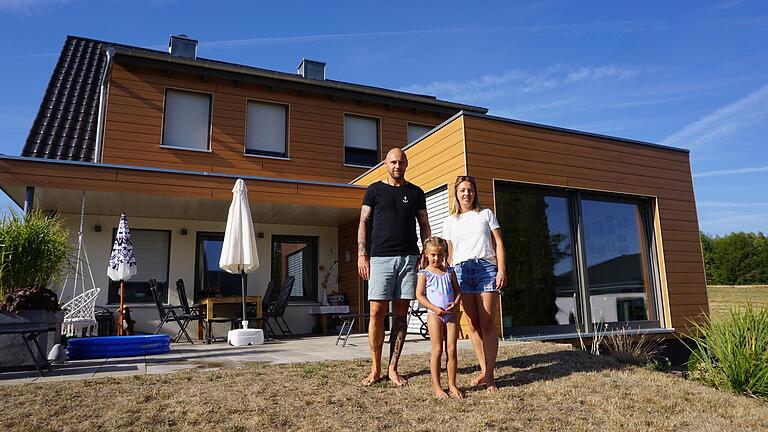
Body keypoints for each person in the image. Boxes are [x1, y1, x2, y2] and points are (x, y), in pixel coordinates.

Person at [358, 148, 430, 387]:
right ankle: (375, 368)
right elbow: (364, 223)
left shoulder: (416, 192)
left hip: (409, 259)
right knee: (377, 312)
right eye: (393, 162)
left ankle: (393, 368)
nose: (397, 165)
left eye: (401, 162)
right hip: (380, 259)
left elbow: (424, 224)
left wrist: (425, 253)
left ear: (406, 164)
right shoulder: (374, 190)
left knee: (401, 316)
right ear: (385, 164)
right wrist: (362, 254)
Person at [442, 175, 506, 392]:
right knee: (473, 325)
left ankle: (489, 376)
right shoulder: (450, 221)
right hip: (461, 272)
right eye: (462, 190)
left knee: (487, 323)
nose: (466, 193)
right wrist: (447, 277)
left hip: (486, 269)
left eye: (470, 190)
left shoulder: (486, 214)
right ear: (456, 194)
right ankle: (483, 369)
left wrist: (501, 269)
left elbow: (498, 243)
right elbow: (449, 253)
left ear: (475, 192)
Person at [415, 236, 463, 399]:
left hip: (451, 315)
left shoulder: (450, 272)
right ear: (427, 254)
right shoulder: (424, 274)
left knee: (452, 349)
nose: (437, 258)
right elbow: (419, 295)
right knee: (437, 350)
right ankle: (437, 386)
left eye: (440, 255)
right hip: (434, 316)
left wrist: (456, 304)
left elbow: (458, 291)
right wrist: (434, 308)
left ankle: (452, 384)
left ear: (445, 255)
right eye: (433, 255)